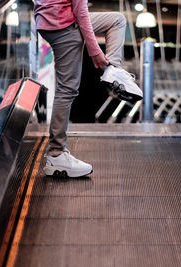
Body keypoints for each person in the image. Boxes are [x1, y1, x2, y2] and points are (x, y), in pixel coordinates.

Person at [34, 0, 142, 178]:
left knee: (117, 20)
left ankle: (114, 69)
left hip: (49, 20)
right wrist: (95, 51)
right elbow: (80, 11)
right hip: (63, 23)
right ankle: (56, 154)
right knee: (67, 90)